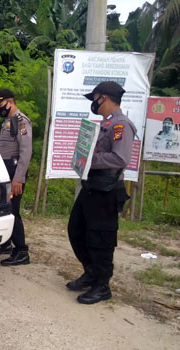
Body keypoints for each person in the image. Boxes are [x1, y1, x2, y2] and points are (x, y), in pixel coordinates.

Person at [67, 81, 134, 305]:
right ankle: (90, 272)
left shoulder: (121, 125)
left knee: (100, 239)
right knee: (76, 230)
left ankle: (102, 285)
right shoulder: (104, 124)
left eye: (94, 98)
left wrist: (91, 160)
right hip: (91, 187)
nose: (93, 103)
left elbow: (120, 159)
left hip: (106, 190)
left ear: (102, 97)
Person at [0, 89, 32, 266]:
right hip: (5, 170)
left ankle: (21, 251)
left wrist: (18, 179)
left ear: (10, 102)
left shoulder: (20, 122)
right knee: (3, 209)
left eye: (0, 104)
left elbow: (25, 152)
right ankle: (5, 243)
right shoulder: (8, 121)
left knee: (13, 211)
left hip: (14, 171)